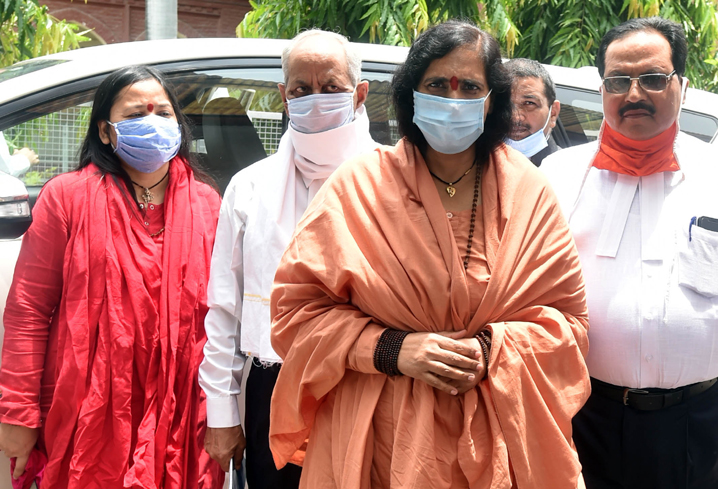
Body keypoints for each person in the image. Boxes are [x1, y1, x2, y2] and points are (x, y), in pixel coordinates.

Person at [268, 20, 590, 489]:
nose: (454, 99)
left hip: (501, 440)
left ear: (492, 99)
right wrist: (392, 349)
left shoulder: (529, 190)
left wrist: (489, 350)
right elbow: (295, 314)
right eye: (437, 84)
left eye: (470, 86)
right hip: (381, 443)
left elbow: (568, 324)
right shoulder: (357, 186)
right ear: (410, 94)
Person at [540, 17, 718, 489]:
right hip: (581, 409)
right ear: (602, 89)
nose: (634, 94)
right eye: (618, 81)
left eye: (653, 78)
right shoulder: (559, 176)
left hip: (692, 420)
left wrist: (706, 342)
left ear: (683, 86)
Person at [0, 65, 223, 488]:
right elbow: (28, 312)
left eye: (163, 114)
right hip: (87, 412)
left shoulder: (207, 204)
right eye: (136, 115)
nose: (152, 123)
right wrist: (18, 413)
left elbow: (224, 323)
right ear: (105, 131)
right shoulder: (66, 199)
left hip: (181, 416)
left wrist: (226, 416)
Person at [198, 29, 377, 489]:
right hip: (272, 388)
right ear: (283, 96)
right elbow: (224, 310)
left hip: (366, 386)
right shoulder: (249, 187)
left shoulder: (393, 180)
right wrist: (221, 412)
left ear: (360, 94)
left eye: (331, 88)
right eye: (301, 90)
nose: (315, 100)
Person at [504, 58, 562, 166]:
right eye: (505, 104)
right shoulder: (471, 167)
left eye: (529, 103)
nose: (515, 117)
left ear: (553, 113)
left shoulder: (571, 174)